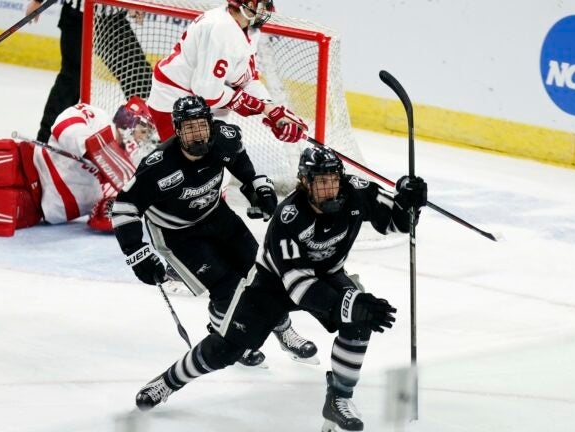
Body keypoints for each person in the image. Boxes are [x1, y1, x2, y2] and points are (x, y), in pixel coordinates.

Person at [132, 146, 429, 432]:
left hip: (327, 274)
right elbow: (298, 285)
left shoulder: (356, 191)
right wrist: (350, 304)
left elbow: (398, 223)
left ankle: (339, 399)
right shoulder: (289, 216)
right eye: (321, 183)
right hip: (270, 286)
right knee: (226, 350)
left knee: (359, 318)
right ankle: (167, 382)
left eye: (334, 181)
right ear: (303, 183)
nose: (330, 189)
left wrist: (408, 202)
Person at [111, 95, 318, 366]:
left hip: (216, 214)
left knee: (262, 275)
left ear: (211, 124)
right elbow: (124, 207)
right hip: (178, 234)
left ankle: (284, 331)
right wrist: (137, 252)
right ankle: (234, 340)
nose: (198, 134)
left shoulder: (225, 138)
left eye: (202, 125)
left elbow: (243, 167)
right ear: (177, 131)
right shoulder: (159, 165)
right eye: (189, 128)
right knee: (227, 288)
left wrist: (259, 188)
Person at [146, 0, 308, 145]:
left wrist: (272, 110)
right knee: (188, 170)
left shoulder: (248, 30)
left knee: (220, 165)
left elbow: (248, 79)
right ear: (250, 4)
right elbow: (207, 93)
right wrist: (256, 105)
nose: (269, 9)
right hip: (174, 102)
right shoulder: (221, 31)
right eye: (264, 3)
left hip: (207, 103)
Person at [23, 97, 159, 233]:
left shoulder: (130, 165)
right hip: (28, 172)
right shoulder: (98, 119)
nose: (143, 139)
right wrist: (97, 154)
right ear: (129, 121)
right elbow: (63, 126)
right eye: (143, 131)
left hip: (38, 211)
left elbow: (107, 212)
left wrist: (111, 209)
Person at [25, 0, 153, 143]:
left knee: (140, 78)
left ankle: (128, 140)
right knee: (71, 81)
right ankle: (46, 140)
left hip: (112, 20)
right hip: (78, 17)